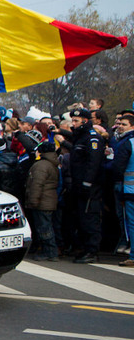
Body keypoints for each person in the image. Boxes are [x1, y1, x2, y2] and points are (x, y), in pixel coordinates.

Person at [69, 108, 105, 264]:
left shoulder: (92, 138)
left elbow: (93, 163)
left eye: (76, 121)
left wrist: (87, 183)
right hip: (78, 184)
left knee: (90, 218)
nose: (73, 124)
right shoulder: (80, 137)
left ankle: (92, 250)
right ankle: (85, 248)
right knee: (81, 218)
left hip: (90, 186)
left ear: (84, 121)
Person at [26, 142, 60, 261]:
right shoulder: (52, 163)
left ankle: (50, 252)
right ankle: (50, 250)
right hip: (48, 200)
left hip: (42, 202)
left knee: (44, 228)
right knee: (46, 226)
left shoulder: (41, 165)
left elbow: (37, 185)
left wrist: (33, 201)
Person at [112, 113, 134, 266]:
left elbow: (118, 168)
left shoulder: (128, 143)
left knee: (131, 224)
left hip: (130, 190)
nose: (120, 126)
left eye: (124, 124)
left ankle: (133, 256)